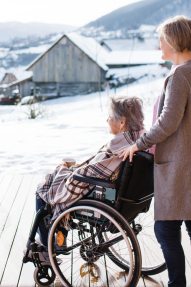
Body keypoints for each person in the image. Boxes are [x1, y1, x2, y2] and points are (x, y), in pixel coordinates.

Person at [121, 15, 191, 287]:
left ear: (172, 40)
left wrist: (138, 143)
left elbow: (168, 122)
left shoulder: (179, 75)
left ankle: (177, 284)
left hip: (181, 167)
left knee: (165, 230)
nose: (159, 47)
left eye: (161, 40)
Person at [33, 95, 146, 260]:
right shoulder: (140, 140)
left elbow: (88, 175)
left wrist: (63, 170)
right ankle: (58, 238)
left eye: (110, 116)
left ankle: (46, 248)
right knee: (57, 178)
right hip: (127, 199)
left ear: (122, 122)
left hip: (103, 197)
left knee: (43, 189)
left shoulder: (117, 146)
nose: (107, 120)